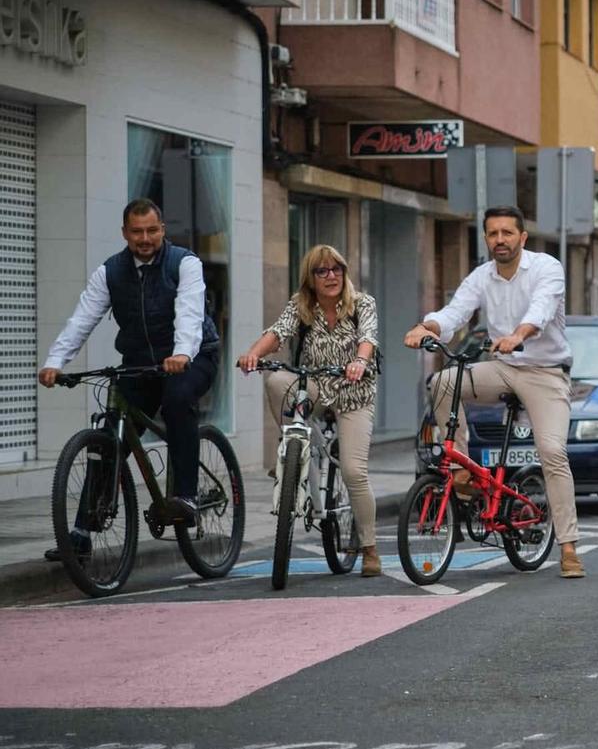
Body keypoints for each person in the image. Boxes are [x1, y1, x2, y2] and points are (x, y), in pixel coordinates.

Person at [404, 206, 586, 579]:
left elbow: (543, 308)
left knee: (552, 452)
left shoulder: (546, 268)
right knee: (442, 382)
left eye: (507, 232)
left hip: (545, 373)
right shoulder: (482, 276)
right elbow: (456, 312)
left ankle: (568, 546)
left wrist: (518, 335)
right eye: (492, 233)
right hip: (502, 369)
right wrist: (428, 327)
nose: (499, 240)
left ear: (523, 237)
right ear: (486, 238)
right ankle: (461, 470)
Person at [40, 198, 223, 555]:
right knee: (109, 435)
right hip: (139, 362)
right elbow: (82, 320)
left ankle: (185, 495)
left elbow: (189, 310)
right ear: (124, 233)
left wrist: (182, 352)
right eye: (137, 232)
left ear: (162, 229)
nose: (145, 238)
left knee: (176, 401)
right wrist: (55, 361)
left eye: (152, 230)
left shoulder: (184, 263)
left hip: (193, 355)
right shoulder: (110, 272)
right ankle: (81, 534)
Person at [235, 245, 382, 577]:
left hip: (353, 395)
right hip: (313, 387)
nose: (331, 276)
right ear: (310, 278)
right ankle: (291, 449)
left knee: (353, 472)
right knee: (275, 382)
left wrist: (360, 361)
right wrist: (252, 354)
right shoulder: (300, 306)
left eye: (336, 269)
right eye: (322, 271)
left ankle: (370, 547)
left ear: (344, 273)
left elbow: (368, 338)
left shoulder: (363, 304)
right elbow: (277, 333)